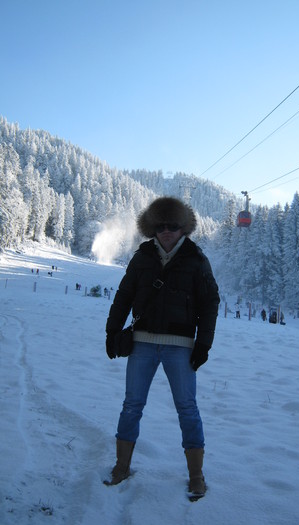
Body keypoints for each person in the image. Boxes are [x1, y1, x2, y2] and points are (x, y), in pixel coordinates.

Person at [104, 197, 220, 498]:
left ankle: (196, 475)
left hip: (181, 346)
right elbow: (123, 295)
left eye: (173, 226)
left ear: (183, 229)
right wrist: (112, 331)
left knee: (188, 409)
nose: (166, 231)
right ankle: (121, 466)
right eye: (161, 226)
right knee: (131, 405)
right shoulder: (142, 257)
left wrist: (204, 343)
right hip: (142, 343)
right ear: (152, 228)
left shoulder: (196, 258)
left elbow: (210, 303)